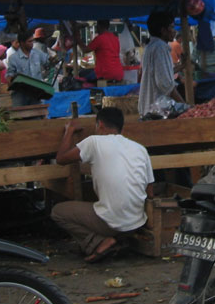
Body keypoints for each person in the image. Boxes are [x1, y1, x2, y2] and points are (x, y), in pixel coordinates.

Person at [51, 107, 153, 262]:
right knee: (104, 206)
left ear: (100, 125)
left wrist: (69, 131)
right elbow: (150, 191)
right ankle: (117, 237)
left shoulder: (94, 142)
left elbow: (61, 158)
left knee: (58, 212)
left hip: (112, 223)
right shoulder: (140, 148)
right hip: (137, 222)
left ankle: (98, 242)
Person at [138, 12, 185, 118]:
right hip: (157, 110)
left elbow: (163, 73)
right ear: (163, 31)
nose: (174, 31)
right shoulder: (160, 48)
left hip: (149, 108)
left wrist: (182, 66)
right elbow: (165, 84)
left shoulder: (152, 47)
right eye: (172, 27)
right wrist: (185, 106)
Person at [6, 29, 48, 106]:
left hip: (36, 93)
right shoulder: (13, 58)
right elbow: (9, 75)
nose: (32, 44)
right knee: (21, 116)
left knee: (38, 115)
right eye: (29, 41)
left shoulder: (38, 53)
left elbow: (49, 64)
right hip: (21, 95)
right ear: (22, 43)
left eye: (32, 41)